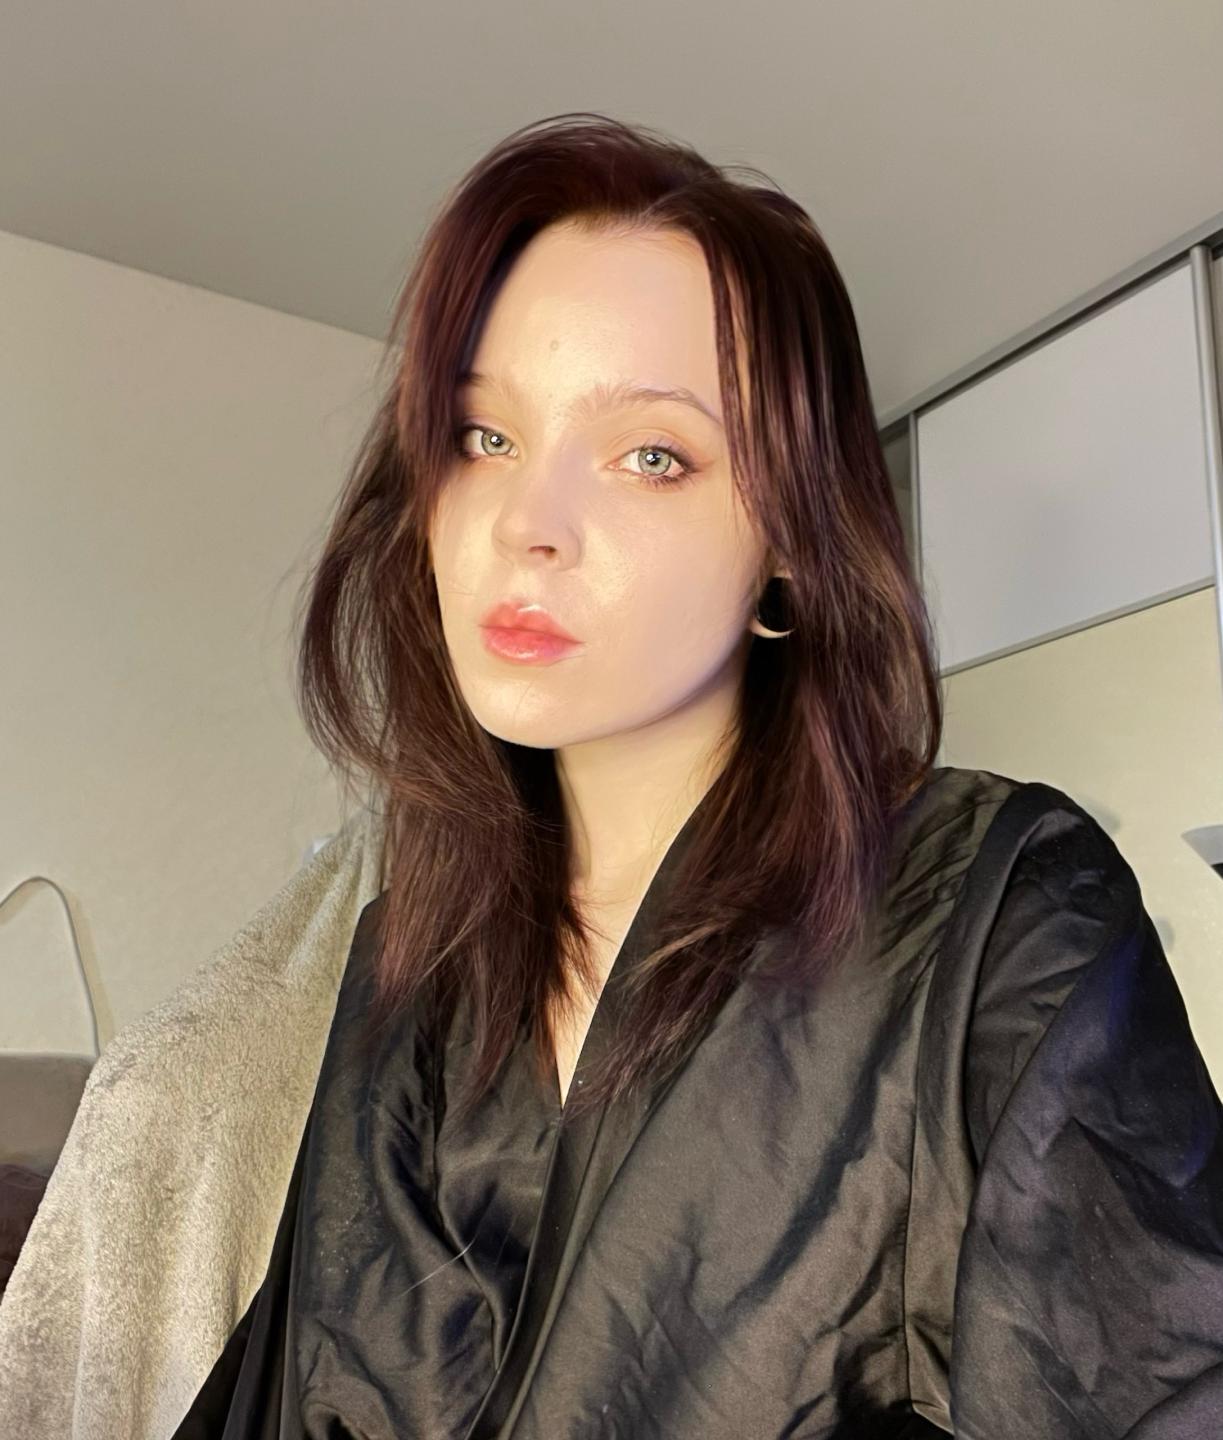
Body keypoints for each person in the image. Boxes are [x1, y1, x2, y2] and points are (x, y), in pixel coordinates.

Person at [4, 112, 1222, 1439]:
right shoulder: (403, 976)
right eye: (484, 437)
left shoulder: (999, 922)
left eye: (652, 456)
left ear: (791, 540)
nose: (528, 525)